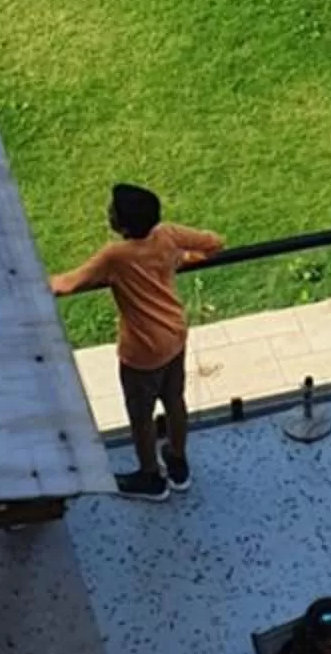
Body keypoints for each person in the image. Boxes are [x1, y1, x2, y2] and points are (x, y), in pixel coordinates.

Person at [49, 182, 222, 502]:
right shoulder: (167, 235)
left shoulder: (115, 256)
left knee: (141, 417)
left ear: (124, 224)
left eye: (112, 209)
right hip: (174, 336)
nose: (108, 212)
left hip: (141, 352)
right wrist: (182, 257)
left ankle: (150, 477)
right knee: (174, 401)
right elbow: (213, 243)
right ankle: (178, 463)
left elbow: (67, 284)